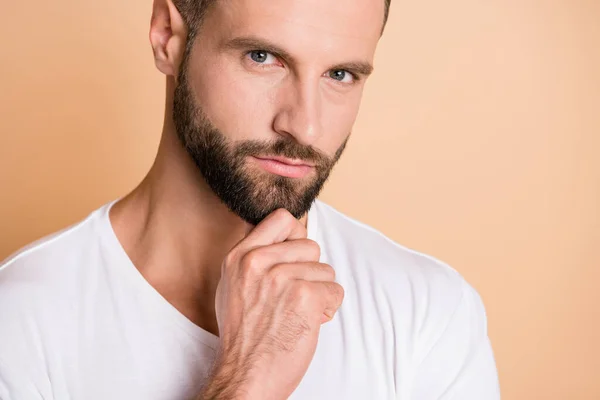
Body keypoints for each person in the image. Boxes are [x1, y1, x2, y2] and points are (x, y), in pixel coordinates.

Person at [0, 0, 501, 398]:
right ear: (167, 37)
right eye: (263, 57)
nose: (304, 126)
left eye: (340, 74)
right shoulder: (20, 321)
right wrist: (246, 380)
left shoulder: (428, 313)